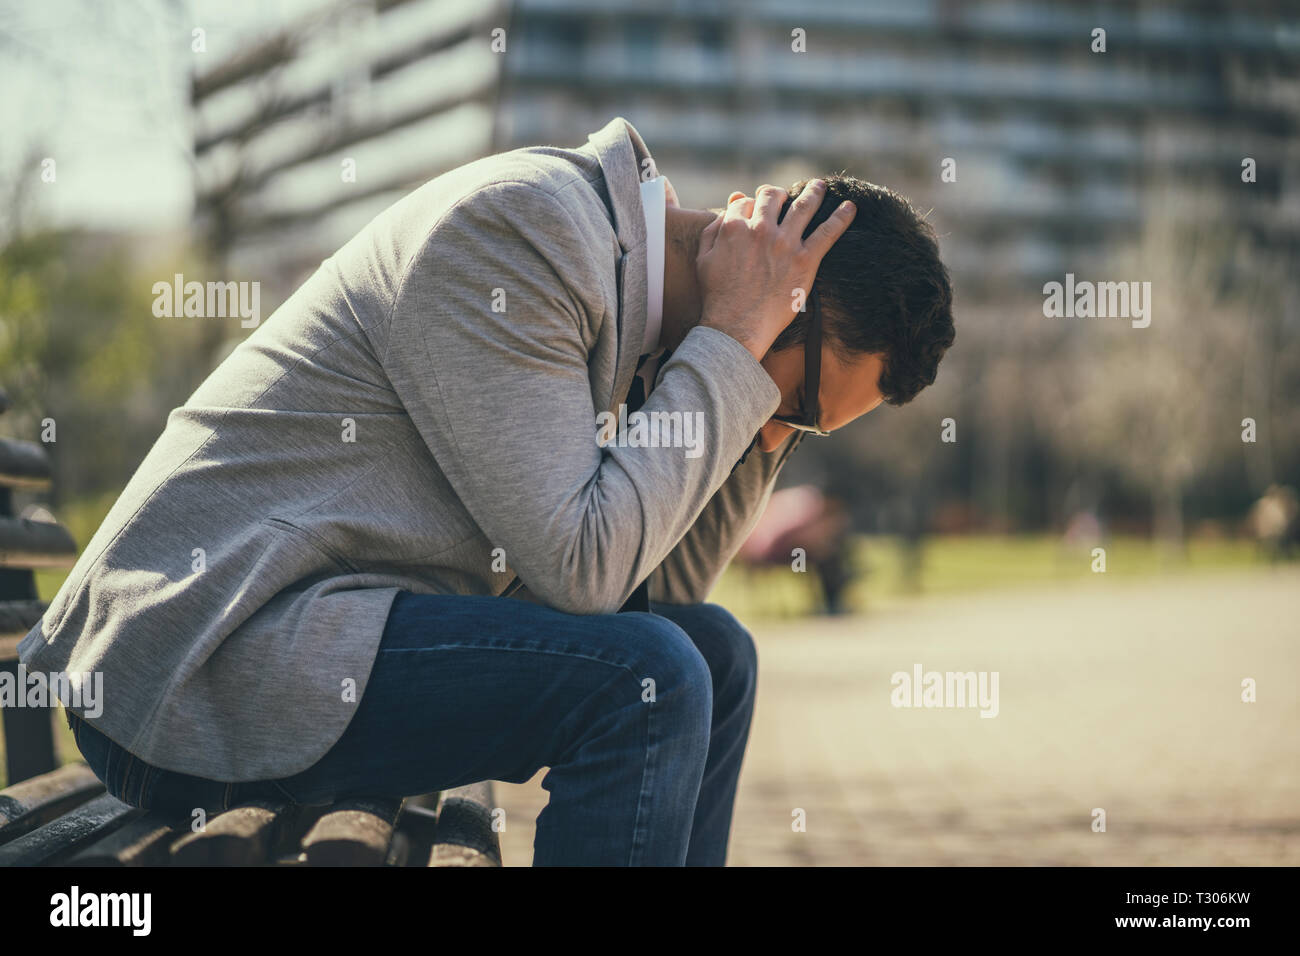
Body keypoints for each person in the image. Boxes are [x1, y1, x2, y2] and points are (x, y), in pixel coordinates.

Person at [22, 118, 955, 865]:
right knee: (648, 682)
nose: (771, 419)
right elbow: (586, 576)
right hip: (198, 661)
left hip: (329, 631)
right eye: (793, 399)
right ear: (770, 288)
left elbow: (660, 600)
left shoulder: (651, 336)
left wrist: (759, 411)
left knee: (709, 656)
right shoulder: (526, 234)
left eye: (807, 426)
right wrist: (729, 349)